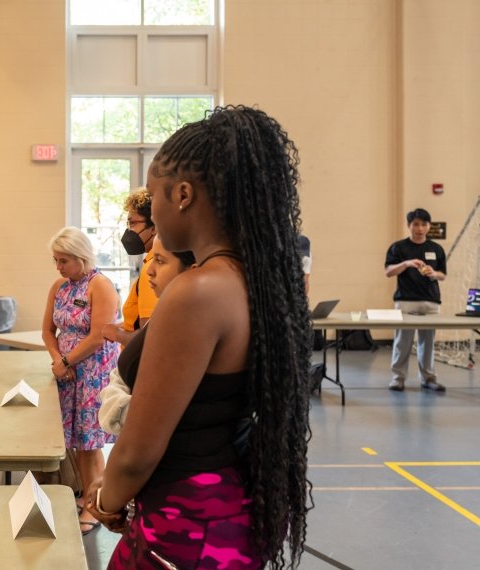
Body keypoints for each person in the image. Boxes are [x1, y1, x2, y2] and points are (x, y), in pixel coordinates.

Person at [86, 106, 312, 569]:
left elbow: (138, 450)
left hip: (188, 518)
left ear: (183, 194)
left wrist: (105, 501)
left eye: (155, 196)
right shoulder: (256, 279)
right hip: (228, 500)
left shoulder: (200, 290)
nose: (153, 209)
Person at [41, 226, 120, 536]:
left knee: (90, 442)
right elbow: (47, 330)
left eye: (63, 260)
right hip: (66, 371)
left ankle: (95, 505)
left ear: (81, 257)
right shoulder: (60, 286)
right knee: (73, 440)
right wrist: (57, 360)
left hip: (91, 372)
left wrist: (66, 361)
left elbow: (99, 336)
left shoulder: (100, 286)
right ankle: (85, 494)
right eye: (56, 261)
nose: (59, 267)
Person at [99, 236, 195, 435]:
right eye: (152, 260)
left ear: (191, 270)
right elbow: (119, 375)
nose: (149, 270)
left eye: (160, 261)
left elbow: (154, 413)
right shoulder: (163, 315)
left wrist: (116, 403)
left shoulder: (189, 330)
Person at [384, 208, 447, 392]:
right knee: (402, 341)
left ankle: (428, 378)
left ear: (429, 226)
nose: (420, 228)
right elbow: (388, 272)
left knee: (427, 342)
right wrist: (407, 263)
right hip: (406, 301)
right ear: (409, 226)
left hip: (431, 302)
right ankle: (398, 378)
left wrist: (433, 273)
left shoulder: (436, 249)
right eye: (416, 224)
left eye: (424, 224)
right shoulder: (398, 247)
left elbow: (443, 275)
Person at [102, 190, 157, 346]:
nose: (128, 231)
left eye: (132, 223)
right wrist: (123, 326)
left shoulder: (151, 270)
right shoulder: (155, 262)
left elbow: (148, 337)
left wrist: (115, 334)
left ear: (153, 227)